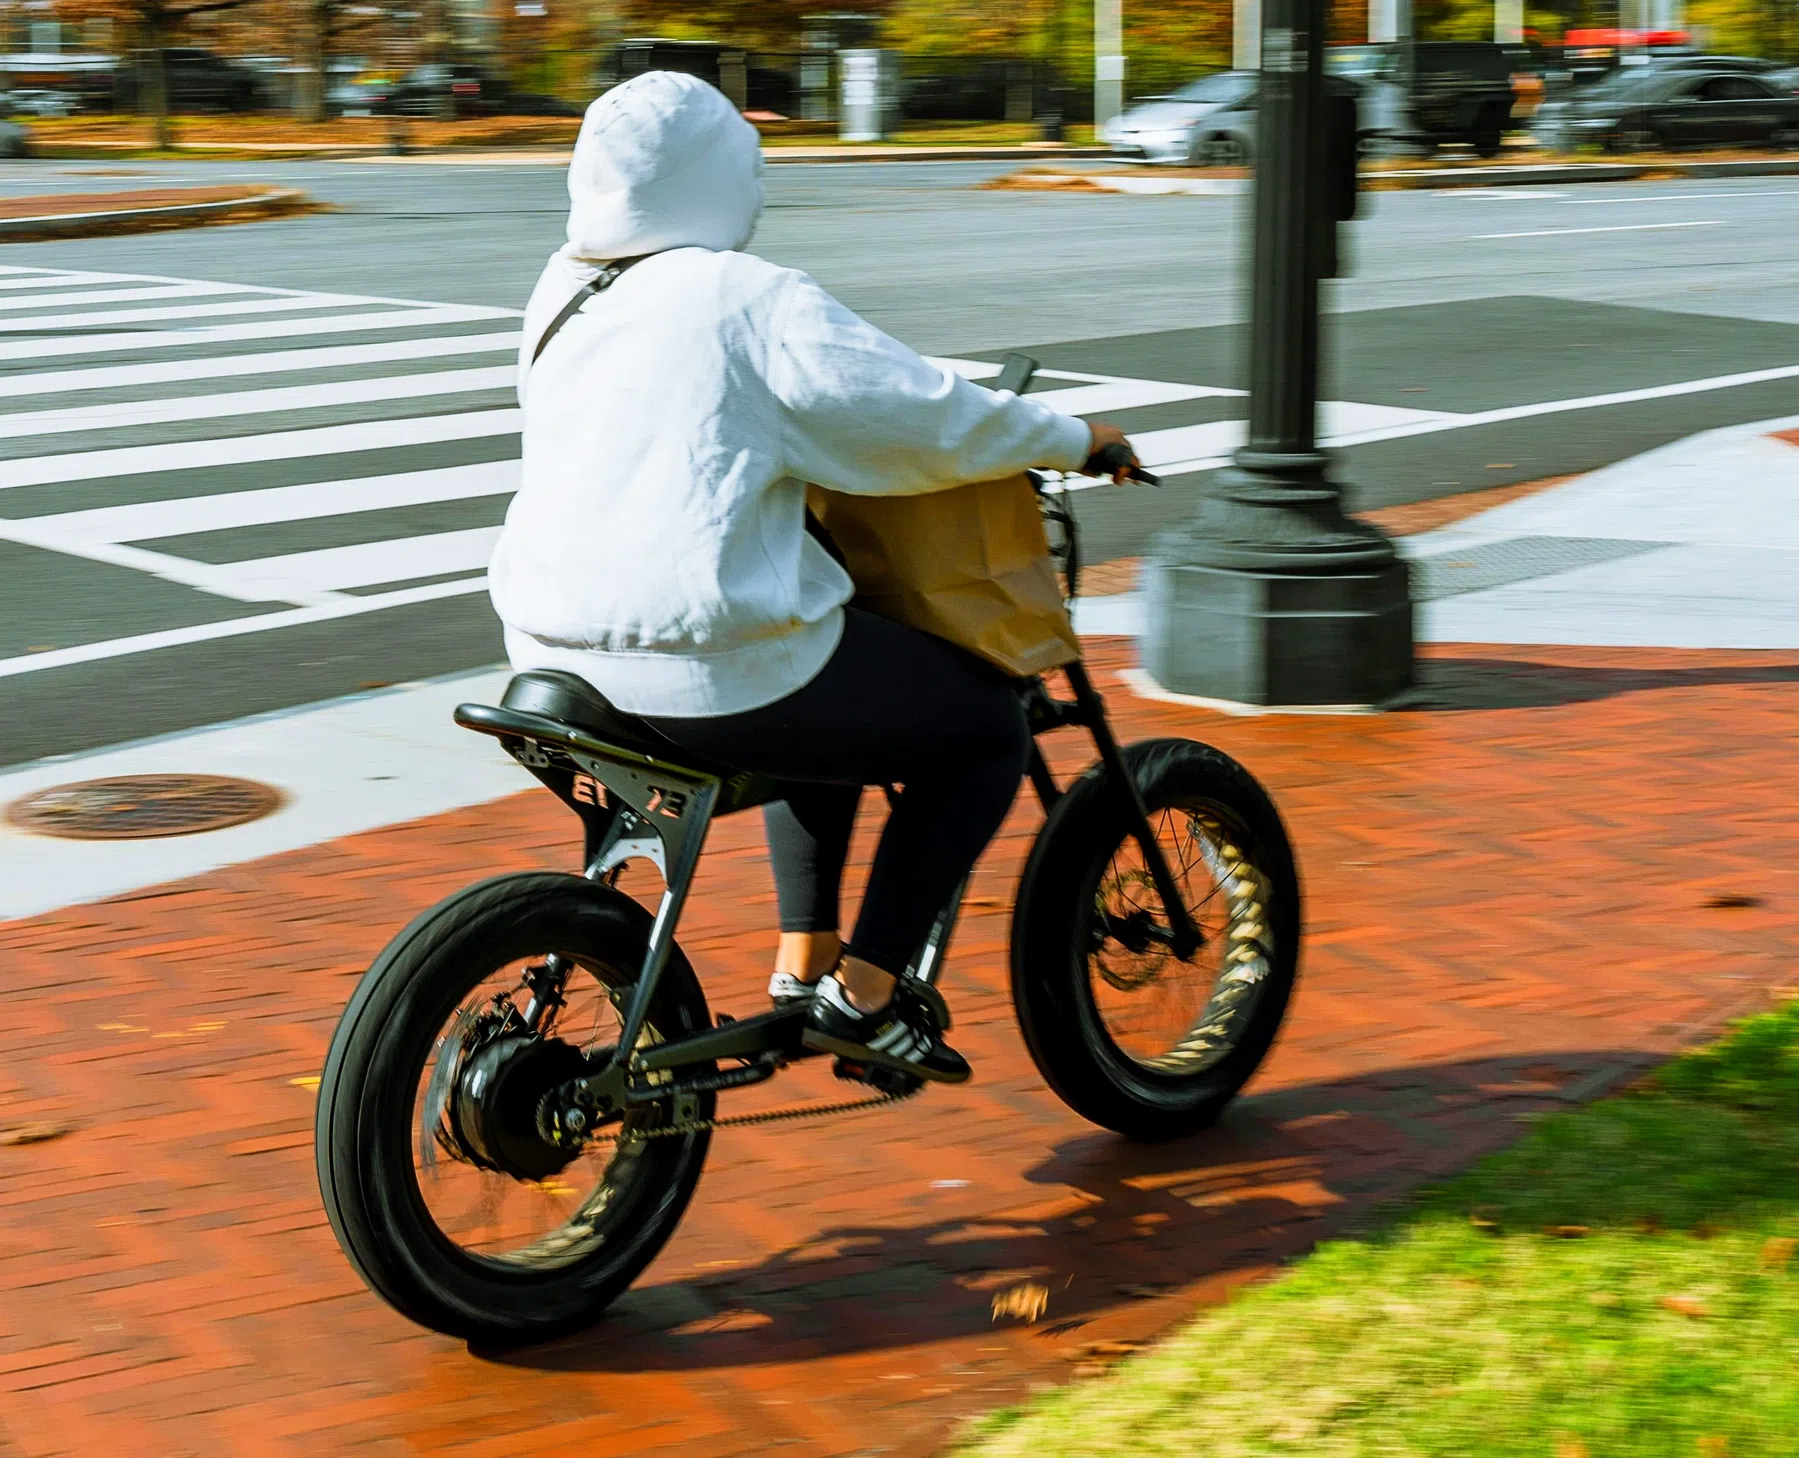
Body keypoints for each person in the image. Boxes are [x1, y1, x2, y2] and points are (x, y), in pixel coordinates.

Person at [489, 71, 1138, 1085]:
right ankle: (869, 1000)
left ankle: (805, 966)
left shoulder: (562, 288)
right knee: (982, 734)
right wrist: (1076, 439)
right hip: (697, 661)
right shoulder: (741, 295)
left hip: (550, 645)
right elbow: (920, 417)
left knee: (824, 676)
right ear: (716, 174)